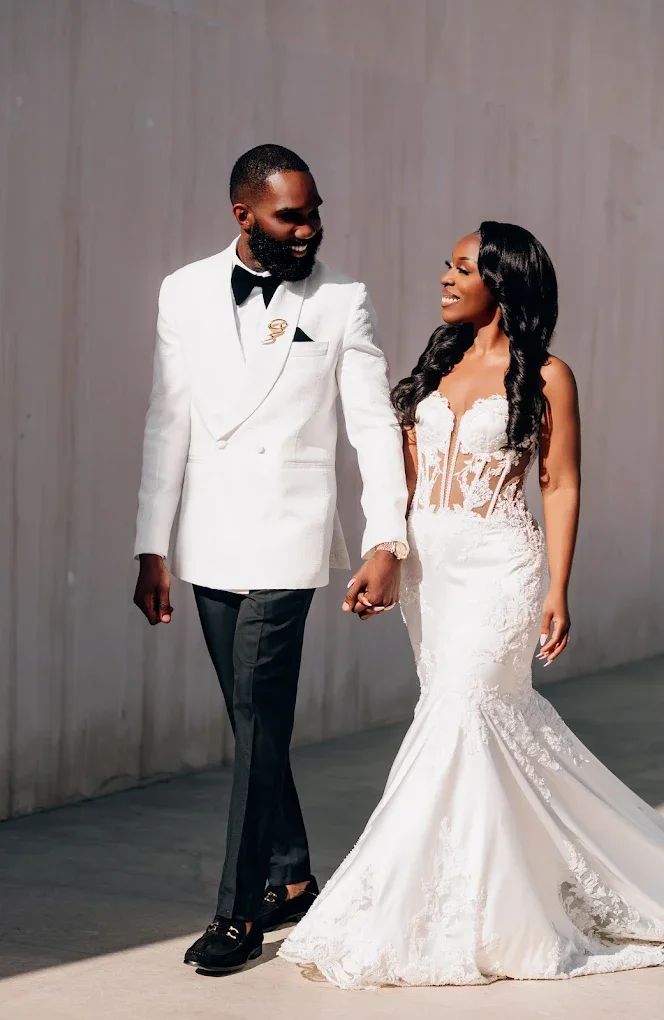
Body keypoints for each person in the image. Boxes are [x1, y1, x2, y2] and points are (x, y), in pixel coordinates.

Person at [279, 221, 664, 986]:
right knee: (480, 729)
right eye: (447, 266)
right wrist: (385, 554)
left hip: (500, 567)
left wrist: (558, 584)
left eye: (462, 269)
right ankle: (491, 889)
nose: (446, 279)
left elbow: (560, 483)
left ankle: (422, 905)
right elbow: (405, 482)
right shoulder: (436, 366)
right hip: (431, 572)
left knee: (459, 716)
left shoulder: (549, 375)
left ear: (503, 282)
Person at [133, 144, 409, 974]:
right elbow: (166, 419)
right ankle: (290, 877)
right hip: (208, 538)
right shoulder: (182, 291)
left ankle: (238, 913)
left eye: (316, 211)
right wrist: (152, 541)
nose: (310, 228)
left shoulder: (343, 298)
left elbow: (371, 423)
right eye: (292, 215)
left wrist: (386, 536)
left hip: (288, 538)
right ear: (243, 213)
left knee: (257, 720)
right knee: (253, 722)